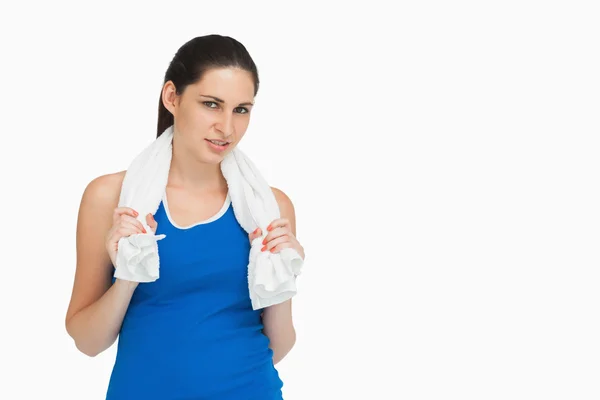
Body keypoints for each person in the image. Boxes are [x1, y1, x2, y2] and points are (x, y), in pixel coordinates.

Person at [64, 34, 305, 400]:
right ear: (172, 97)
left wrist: (283, 277)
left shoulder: (269, 208)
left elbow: (279, 346)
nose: (227, 127)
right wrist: (128, 277)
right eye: (211, 104)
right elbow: (86, 342)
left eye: (242, 109)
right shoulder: (113, 199)